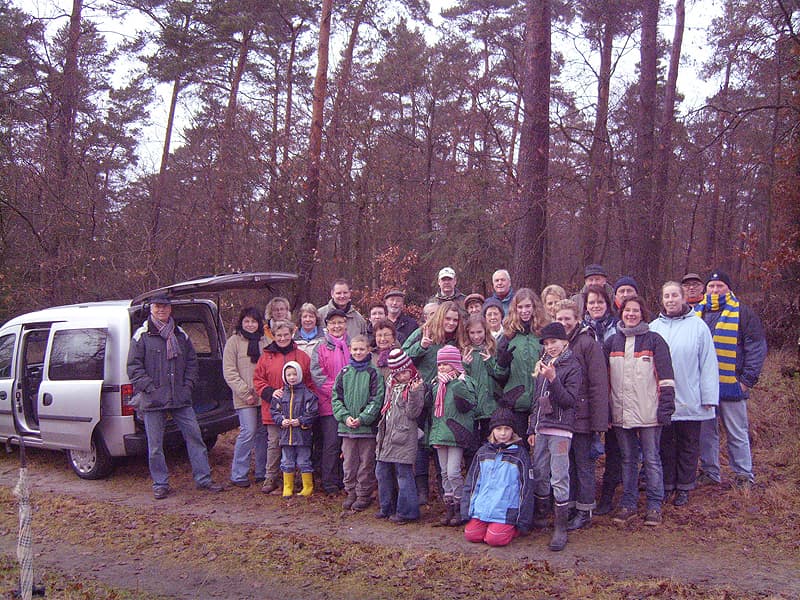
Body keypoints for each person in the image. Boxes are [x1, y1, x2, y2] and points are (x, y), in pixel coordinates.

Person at [127, 296, 224, 499]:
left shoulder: (180, 335)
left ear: (170, 309)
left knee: (196, 438)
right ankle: (160, 484)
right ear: (152, 309)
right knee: (155, 446)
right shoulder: (141, 336)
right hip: (153, 400)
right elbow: (134, 368)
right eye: (157, 306)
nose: (161, 310)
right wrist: (150, 388)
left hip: (180, 398)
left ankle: (203, 479)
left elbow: (191, 363)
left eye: (165, 306)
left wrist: (187, 386)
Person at [605, 296, 675, 526]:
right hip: (621, 413)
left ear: (643, 314)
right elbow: (604, 382)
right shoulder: (611, 342)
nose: (631, 314)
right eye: (627, 310)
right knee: (628, 459)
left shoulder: (655, 341)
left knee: (652, 459)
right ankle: (628, 503)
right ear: (621, 313)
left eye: (636, 311)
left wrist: (665, 408)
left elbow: (666, 379)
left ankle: (655, 505)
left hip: (649, 414)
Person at [695, 270, 767, 489]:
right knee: (706, 434)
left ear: (728, 288)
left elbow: (756, 347)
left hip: (732, 385)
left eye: (720, 286)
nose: (715, 290)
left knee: (737, 432)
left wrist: (746, 380)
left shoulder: (743, 313)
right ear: (705, 290)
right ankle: (710, 472)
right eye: (711, 286)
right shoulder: (696, 314)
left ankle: (744, 475)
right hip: (704, 386)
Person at [650, 282, 719, 506]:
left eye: (674, 296)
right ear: (662, 300)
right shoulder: (653, 328)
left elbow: (708, 364)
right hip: (663, 400)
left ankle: (685, 486)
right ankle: (668, 484)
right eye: (666, 296)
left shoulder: (698, 327)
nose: (670, 300)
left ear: (682, 298)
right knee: (666, 444)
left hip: (691, 398)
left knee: (688, 445)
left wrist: (709, 397)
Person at [554, 300, 609, 530]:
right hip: (562, 419)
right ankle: (572, 506)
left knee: (584, 465)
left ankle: (585, 510)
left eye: (568, 318)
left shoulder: (587, 343)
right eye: (560, 319)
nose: (564, 323)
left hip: (584, 418)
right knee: (568, 465)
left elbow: (598, 384)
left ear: (577, 319)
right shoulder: (555, 344)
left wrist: (599, 423)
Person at [527, 322, 581, 552]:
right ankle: (541, 516)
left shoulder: (573, 366)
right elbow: (536, 401)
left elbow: (569, 400)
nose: (550, 347)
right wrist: (532, 428)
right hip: (541, 429)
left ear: (565, 342)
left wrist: (553, 379)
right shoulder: (543, 365)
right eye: (547, 343)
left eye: (554, 342)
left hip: (560, 430)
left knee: (559, 475)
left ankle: (561, 526)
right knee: (539, 471)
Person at [254, 319, 315, 494]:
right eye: (279, 335)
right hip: (275, 410)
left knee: (299, 444)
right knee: (274, 444)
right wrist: (270, 392)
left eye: (286, 335)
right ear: (273, 336)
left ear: (292, 334)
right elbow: (258, 379)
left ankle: (297, 479)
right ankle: (270, 477)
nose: (282, 338)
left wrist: (306, 408)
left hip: (298, 412)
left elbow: (310, 382)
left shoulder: (301, 356)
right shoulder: (266, 356)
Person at [462, 407, 534, 547]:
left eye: (507, 428)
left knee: (494, 539)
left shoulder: (520, 455)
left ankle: (509, 529)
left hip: (505, 511)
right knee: (471, 535)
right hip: (483, 508)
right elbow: (471, 483)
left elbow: (526, 489)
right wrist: (467, 510)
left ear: (513, 430)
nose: (503, 433)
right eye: (499, 428)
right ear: (492, 430)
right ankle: (488, 525)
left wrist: (522, 521)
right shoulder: (482, 452)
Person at [332, 335, 384, 511]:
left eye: (362, 349)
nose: (358, 352)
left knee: (366, 463)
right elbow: (336, 399)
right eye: (355, 349)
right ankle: (351, 492)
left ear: (368, 350)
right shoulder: (344, 373)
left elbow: (376, 400)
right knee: (349, 463)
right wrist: (345, 417)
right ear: (350, 350)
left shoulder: (374, 373)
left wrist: (362, 418)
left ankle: (363, 494)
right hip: (346, 428)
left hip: (366, 429)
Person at [375, 349, 425, 524]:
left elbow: (413, 413)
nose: (403, 376)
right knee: (382, 472)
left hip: (404, 436)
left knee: (404, 474)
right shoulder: (391, 385)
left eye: (405, 371)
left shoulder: (415, 386)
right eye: (398, 373)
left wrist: (414, 393)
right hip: (387, 435)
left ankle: (407, 511)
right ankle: (386, 507)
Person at [429, 345, 477, 526]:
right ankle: (449, 506)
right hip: (440, 433)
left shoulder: (463, 382)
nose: (442, 368)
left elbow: (470, 403)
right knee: (444, 473)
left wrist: (454, 383)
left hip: (456, 433)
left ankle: (460, 505)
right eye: (440, 364)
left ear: (455, 364)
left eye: (446, 364)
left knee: (454, 471)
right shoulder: (436, 385)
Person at [492, 288, 549, 440]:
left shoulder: (544, 334)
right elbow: (498, 375)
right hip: (516, 400)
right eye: (520, 307)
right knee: (518, 446)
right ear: (515, 309)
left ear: (534, 307)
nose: (524, 311)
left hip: (542, 398)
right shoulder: (507, 336)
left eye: (527, 306)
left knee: (541, 449)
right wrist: (502, 364)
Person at [223, 307, 269, 488]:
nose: (250, 325)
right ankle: (238, 473)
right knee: (248, 432)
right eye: (247, 321)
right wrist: (245, 393)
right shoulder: (233, 342)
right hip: (244, 397)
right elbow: (229, 372)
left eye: (254, 321)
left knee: (262, 433)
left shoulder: (265, 341)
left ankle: (262, 471)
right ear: (241, 322)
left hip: (263, 395)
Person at [310, 309, 351, 495]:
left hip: (352, 403)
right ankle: (329, 481)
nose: (337, 326)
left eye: (340, 322)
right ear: (327, 326)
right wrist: (337, 393)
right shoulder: (320, 347)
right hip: (329, 403)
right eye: (333, 323)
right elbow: (318, 375)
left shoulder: (353, 344)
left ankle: (347, 479)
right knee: (331, 443)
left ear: (345, 324)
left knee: (349, 444)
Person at [270, 361, 318, 497]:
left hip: (302, 435)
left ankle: (308, 486)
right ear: (284, 376)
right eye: (289, 374)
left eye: (294, 374)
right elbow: (274, 411)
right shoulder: (280, 394)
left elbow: (313, 413)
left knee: (304, 460)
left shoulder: (308, 394)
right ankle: (288, 487)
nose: (292, 377)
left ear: (300, 375)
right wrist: (281, 420)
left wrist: (300, 421)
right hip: (286, 436)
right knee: (286, 461)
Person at [460, 314, 498, 448]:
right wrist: (464, 365)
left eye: (479, 332)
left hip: (490, 404)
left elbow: (500, 374)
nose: (476, 337)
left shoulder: (493, 348)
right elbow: (462, 380)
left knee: (490, 442)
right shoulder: (465, 351)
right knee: (473, 445)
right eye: (472, 333)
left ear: (485, 331)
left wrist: (490, 361)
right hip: (472, 406)